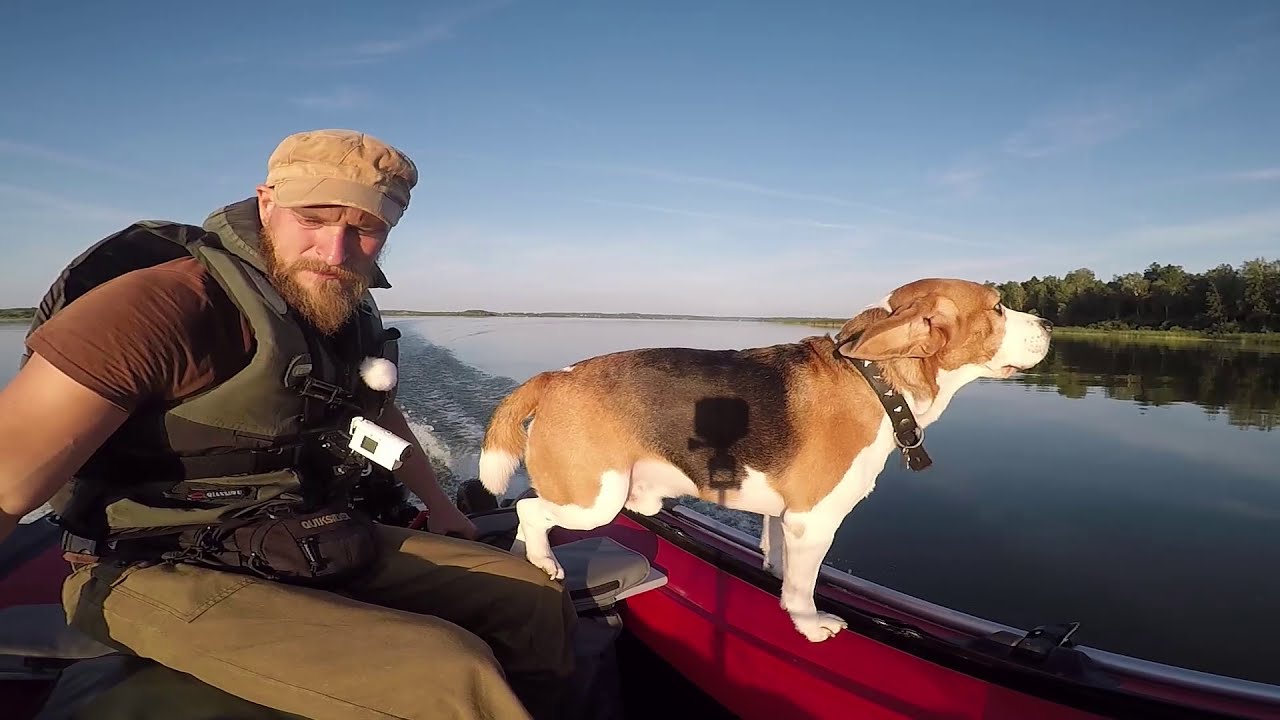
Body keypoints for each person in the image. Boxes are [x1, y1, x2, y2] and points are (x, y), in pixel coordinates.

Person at [0, 129, 577, 720]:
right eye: (313, 217)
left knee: (531, 597)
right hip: (149, 562)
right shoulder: (160, 308)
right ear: (267, 203)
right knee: (446, 674)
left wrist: (445, 508)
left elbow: (379, 415)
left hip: (297, 534)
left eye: (364, 228)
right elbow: (5, 479)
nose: (335, 250)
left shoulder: (338, 309)